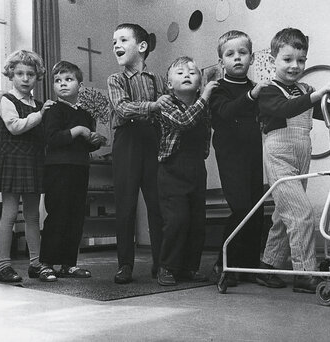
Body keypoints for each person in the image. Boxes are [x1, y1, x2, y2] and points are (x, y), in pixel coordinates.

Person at [257, 28, 330, 293]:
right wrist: (316, 94)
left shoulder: (304, 89)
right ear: (272, 60)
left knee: (284, 214)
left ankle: (268, 265)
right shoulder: (267, 90)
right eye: (287, 59)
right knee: (301, 214)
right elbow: (286, 108)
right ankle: (304, 273)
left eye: (301, 60)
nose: (295, 66)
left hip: (302, 154)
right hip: (278, 155)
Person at [107, 23, 174, 284]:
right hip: (127, 142)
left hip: (153, 142)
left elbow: (169, 111)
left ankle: (163, 264)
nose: (116, 45)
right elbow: (123, 109)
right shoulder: (115, 79)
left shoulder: (159, 80)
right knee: (125, 206)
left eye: (123, 40)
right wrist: (155, 106)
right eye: (114, 42)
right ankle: (125, 265)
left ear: (142, 47)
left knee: (158, 206)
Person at [209, 30, 270, 286]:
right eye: (230, 54)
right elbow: (225, 112)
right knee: (241, 207)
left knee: (256, 209)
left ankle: (249, 265)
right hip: (230, 154)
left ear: (252, 57)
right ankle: (223, 263)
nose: (237, 58)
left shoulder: (255, 88)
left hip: (253, 152)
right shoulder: (217, 88)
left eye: (242, 53)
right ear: (221, 61)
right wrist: (252, 96)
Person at [0, 50, 55, 282]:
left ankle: (36, 264)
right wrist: (40, 115)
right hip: (12, 161)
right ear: (11, 74)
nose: (25, 78)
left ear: (37, 76)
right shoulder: (6, 101)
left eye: (30, 73)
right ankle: (4, 266)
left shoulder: (38, 104)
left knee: (32, 217)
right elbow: (15, 127)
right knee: (8, 215)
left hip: (33, 161)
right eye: (20, 73)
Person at [40, 61, 106, 279]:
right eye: (58, 81)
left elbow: (88, 143)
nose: (63, 84)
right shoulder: (53, 110)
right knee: (57, 214)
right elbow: (52, 139)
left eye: (68, 80)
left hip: (79, 168)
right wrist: (77, 130)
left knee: (76, 216)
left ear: (80, 85)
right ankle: (47, 264)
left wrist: (96, 140)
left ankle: (69, 264)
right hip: (58, 168)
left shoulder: (86, 114)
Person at [155, 56, 218, 286]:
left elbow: (205, 131)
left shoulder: (204, 105)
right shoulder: (167, 104)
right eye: (180, 73)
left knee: (196, 221)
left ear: (200, 80)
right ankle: (167, 267)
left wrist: (203, 154)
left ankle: (190, 268)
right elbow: (183, 122)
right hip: (172, 169)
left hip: (195, 168)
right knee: (176, 220)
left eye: (192, 72)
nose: (187, 75)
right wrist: (204, 97)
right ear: (169, 84)